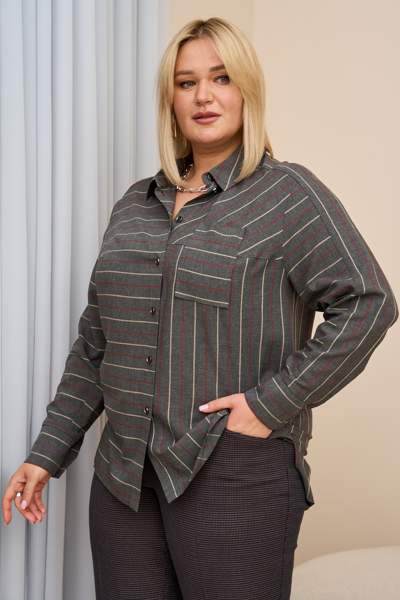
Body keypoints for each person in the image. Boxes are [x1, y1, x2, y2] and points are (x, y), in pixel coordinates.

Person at [2, 17, 397, 600]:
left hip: (235, 472)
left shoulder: (287, 194)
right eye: (186, 83)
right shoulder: (133, 206)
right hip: (122, 481)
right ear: (171, 99)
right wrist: (46, 454)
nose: (203, 95)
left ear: (248, 90)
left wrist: (268, 405)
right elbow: (97, 344)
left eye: (221, 77)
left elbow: (369, 301)